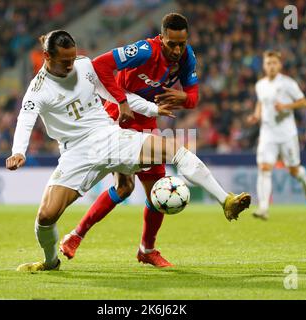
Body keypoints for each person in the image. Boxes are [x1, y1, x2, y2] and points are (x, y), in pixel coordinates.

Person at [6, 29, 251, 272]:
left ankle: (225, 200)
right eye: (65, 61)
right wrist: (19, 151)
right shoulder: (37, 90)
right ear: (47, 58)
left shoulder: (84, 66)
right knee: (46, 217)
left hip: (107, 136)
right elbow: (25, 119)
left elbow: (116, 94)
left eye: (73, 58)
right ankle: (50, 262)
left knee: (173, 150)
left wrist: (152, 110)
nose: (71, 65)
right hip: (75, 153)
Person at [59, 13, 200, 268]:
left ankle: (147, 249)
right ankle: (76, 235)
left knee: (158, 191)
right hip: (118, 117)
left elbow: (193, 97)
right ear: (162, 37)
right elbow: (100, 65)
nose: (178, 49)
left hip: (147, 122)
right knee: (124, 187)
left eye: (182, 43)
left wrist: (184, 99)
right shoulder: (144, 50)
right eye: (173, 44)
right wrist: (121, 101)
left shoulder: (187, 56)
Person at [247, 50, 306, 220]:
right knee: (264, 167)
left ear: (280, 65)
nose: (271, 66)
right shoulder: (260, 85)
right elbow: (261, 102)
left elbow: (304, 101)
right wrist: (256, 115)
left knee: (294, 170)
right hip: (267, 133)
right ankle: (263, 208)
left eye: (274, 63)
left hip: (287, 134)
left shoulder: (287, 83)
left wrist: (285, 106)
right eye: (268, 63)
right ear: (264, 65)